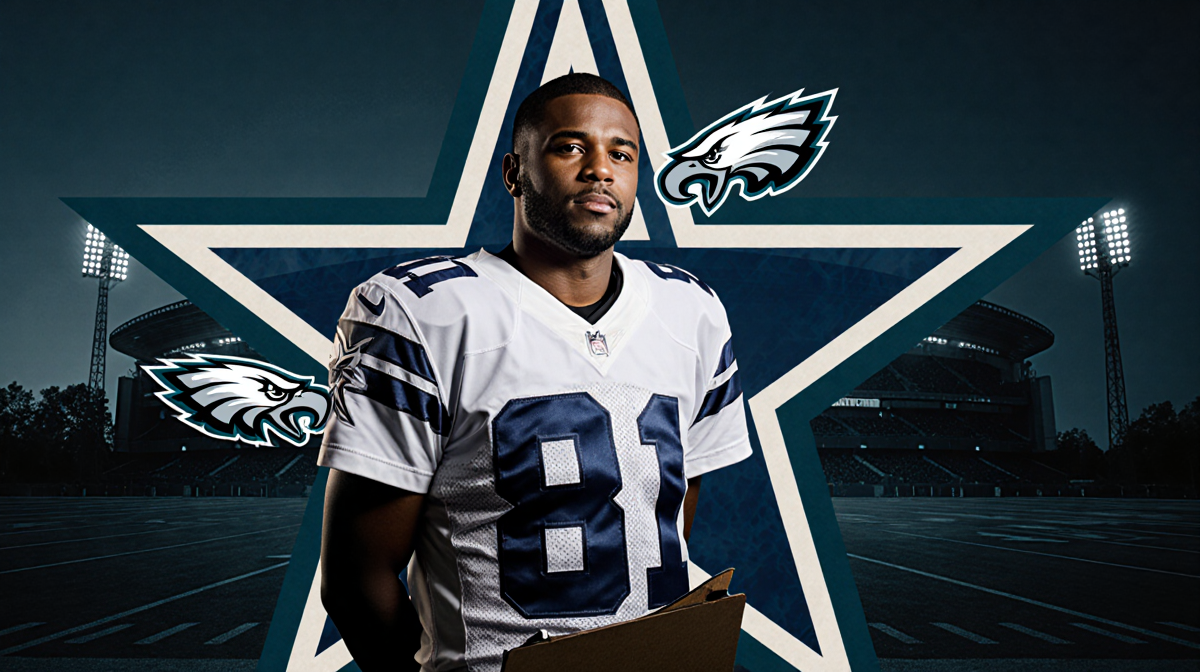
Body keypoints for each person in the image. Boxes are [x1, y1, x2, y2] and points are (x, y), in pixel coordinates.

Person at [318, 73, 751, 672]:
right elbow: (355, 578)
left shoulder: (692, 309)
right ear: (514, 172)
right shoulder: (422, 312)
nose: (600, 170)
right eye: (570, 147)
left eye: (621, 154)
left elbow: (667, 517)